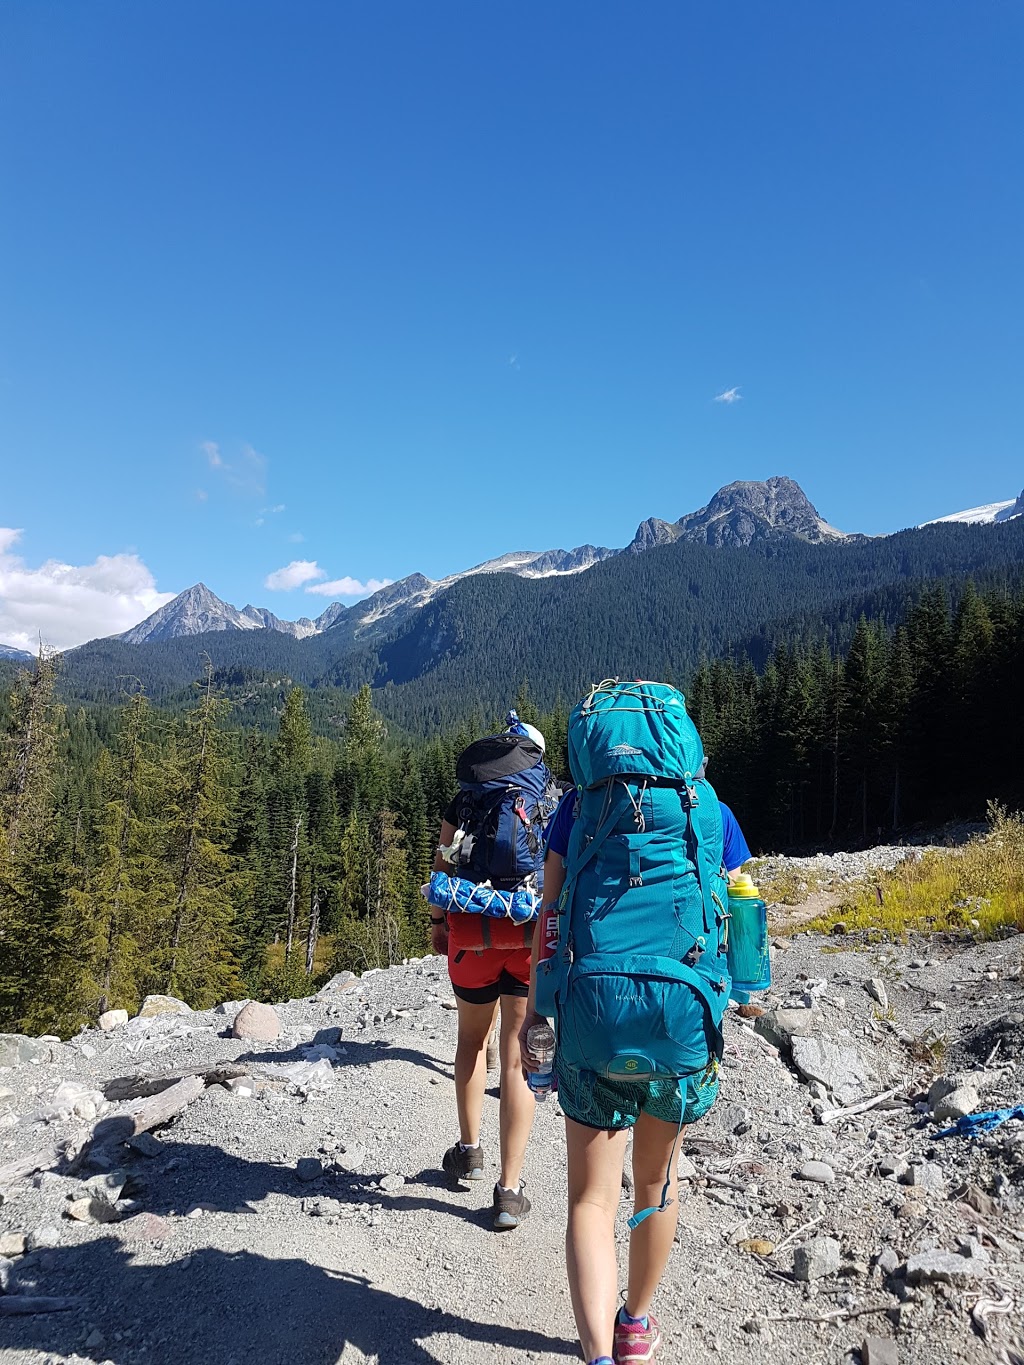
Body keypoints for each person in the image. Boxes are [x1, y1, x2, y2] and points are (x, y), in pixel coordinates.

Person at [521, 725, 752, 1364]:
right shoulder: (708, 807)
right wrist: (744, 989)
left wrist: (538, 1014)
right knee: (655, 1184)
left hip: (592, 1021)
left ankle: (597, 1356)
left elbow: (549, 912)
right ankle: (634, 1326)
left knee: (591, 1199)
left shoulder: (578, 808)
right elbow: (744, 908)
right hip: (680, 1030)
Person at [429, 718, 551, 1231]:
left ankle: (469, 1149)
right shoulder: (549, 795)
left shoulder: (465, 801)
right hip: (525, 934)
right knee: (519, 1052)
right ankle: (509, 1189)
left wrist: (438, 924)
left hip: (470, 932)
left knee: (471, 1041)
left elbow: (440, 860)